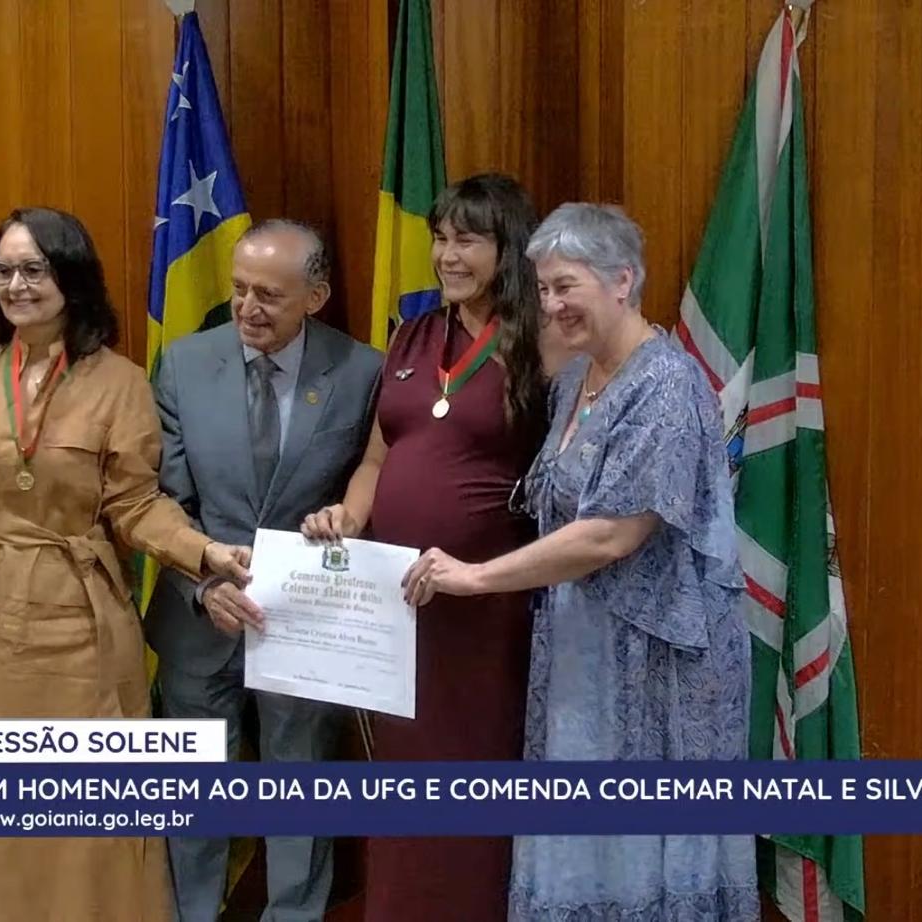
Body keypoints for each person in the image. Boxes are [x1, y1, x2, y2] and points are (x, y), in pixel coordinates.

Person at [401, 203, 759, 920]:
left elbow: (610, 536)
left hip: (657, 666)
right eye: (542, 288)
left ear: (622, 281)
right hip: (580, 651)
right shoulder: (574, 380)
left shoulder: (668, 384)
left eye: (566, 286)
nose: (551, 304)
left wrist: (475, 578)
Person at [0, 206, 251, 922]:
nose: (16, 285)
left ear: (71, 277)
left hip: (76, 622)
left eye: (34, 269)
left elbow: (136, 506)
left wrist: (204, 552)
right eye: (4, 270)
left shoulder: (120, 381)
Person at [302, 174, 554, 922]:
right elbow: (378, 457)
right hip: (400, 605)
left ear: (509, 247)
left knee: (475, 774)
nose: (447, 255)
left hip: (488, 608)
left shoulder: (542, 341)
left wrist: (482, 571)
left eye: (466, 240)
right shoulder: (412, 336)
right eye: (440, 239)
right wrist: (349, 515)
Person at [145, 219, 383, 922]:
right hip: (200, 616)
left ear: (316, 296)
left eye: (269, 295)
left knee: (300, 793)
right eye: (240, 289)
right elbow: (161, 499)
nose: (248, 307)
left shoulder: (362, 371)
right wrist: (205, 581)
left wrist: (344, 518)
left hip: (304, 622)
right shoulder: (184, 364)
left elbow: (372, 482)